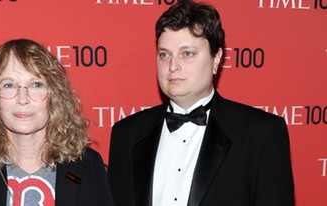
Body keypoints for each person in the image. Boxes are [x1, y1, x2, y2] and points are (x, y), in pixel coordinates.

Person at [107, 1, 294, 206]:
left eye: (187, 53)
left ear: (216, 59)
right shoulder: (126, 135)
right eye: (164, 54)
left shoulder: (261, 135)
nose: (173, 66)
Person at [0, 39, 114, 206]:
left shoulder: (87, 166)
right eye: (9, 85)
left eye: (36, 84)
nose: (22, 99)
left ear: (54, 95)